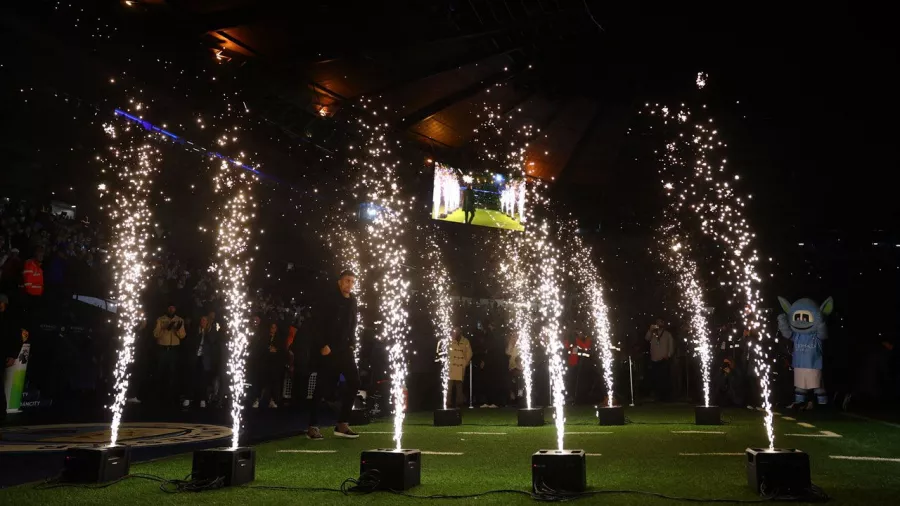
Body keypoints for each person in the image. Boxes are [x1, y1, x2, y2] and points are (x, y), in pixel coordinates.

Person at [305, 270, 361, 440]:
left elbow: (353, 323)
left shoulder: (353, 300)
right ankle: (312, 426)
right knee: (322, 387)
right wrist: (323, 345)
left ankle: (342, 423)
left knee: (354, 381)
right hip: (329, 349)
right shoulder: (329, 299)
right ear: (339, 282)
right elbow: (317, 323)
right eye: (347, 281)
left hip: (345, 349)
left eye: (352, 281)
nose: (349, 284)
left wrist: (352, 343)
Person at [153, 304, 186, 406]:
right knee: (160, 373)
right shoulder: (160, 319)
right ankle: (158, 396)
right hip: (163, 349)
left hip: (174, 350)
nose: (171, 309)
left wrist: (178, 329)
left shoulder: (179, 319)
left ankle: (171, 397)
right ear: (167, 309)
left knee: (173, 373)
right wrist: (165, 328)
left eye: (173, 307)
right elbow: (155, 334)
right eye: (169, 307)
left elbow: (183, 336)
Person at [184, 315, 217, 408]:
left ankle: (202, 399)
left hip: (204, 359)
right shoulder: (195, 330)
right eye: (201, 320)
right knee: (191, 378)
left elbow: (212, 341)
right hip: (195, 357)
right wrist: (199, 332)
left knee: (203, 380)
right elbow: (190, 342)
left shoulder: (210, 331)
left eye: (205, 320)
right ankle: (188, 397)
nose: (202, 321)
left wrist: (206, 332)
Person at [252, 322, 284, 409]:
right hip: (264, 364)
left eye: (274, 328)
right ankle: (257, 399)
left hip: (273, 365)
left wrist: (275, 350)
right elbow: (260, 349)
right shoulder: (264, 337)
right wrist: (268, 349)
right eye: (271, 327)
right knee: (261, 382)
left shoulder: (279, 339)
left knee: (273, 383)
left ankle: (272, 400)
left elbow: (281, 350)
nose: (272, 329)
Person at [645, 318, 674, 401]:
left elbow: (671, 345)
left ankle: (665, 397)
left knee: (664, 379)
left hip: (663, 359)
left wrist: (668, 355)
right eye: (657, 323)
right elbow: (647, 338)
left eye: (660, 322)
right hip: (654, 359)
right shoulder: (652, 334)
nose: (659, 324)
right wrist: (650, 330)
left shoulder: (667, 334)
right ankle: (657, 396)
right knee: (655, 378)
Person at [446, 327, 472, 409]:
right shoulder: (449, 341)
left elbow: (469, 353)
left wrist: (464, 363)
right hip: (451, 366)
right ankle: (448, 402)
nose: (455, 333)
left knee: (459, 386)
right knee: (449, 387)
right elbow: (445, 352)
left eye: (457, 331)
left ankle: (459, 403)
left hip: (460, 366)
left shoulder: (465, 341)